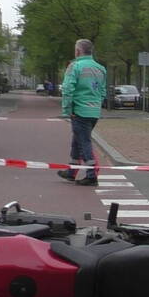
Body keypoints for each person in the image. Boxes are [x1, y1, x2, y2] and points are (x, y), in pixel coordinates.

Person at [57, 38, 107, 186]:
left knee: (84, 142)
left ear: (78, 51)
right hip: (94, 111)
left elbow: (67, 89)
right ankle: (72, 171)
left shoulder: (75, 66)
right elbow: (102, 91)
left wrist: (68, 110)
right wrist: (97, 105)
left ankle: (91, 175)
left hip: (79, 110)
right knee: (77, 140)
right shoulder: (101, 68)